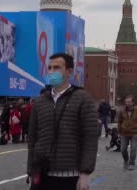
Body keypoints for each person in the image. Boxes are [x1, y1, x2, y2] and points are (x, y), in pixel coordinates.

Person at [27, 53, 98, 190]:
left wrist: (85, 174)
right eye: (50, 68)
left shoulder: (83, 99)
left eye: (57, 68)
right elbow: (32, 139)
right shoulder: (40, 102)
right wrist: (31, 169)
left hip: (70, 176)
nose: (52, 72)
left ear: (69, 71)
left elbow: (90, 138)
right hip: (42, 174)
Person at [118, 95, 137, 171]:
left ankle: (132, 163)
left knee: (133, 148)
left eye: (129, 102)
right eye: (126, 102)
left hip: (134, 132)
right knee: (123, 149)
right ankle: (126, 160)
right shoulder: (122, 110)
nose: (127, 103)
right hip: (124, 133)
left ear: (133, 102)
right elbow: (119, 121)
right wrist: (119, 131)